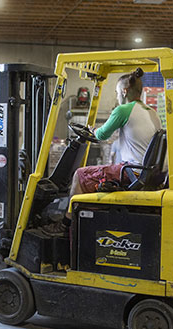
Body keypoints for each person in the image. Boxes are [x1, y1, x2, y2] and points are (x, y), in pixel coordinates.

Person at [42, 67, 162, 236]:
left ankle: (65, 226)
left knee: (79, 175)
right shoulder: (152, 113)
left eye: (117, 92)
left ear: (124, 91)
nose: (117, 96)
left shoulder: (123, 110)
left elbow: (102, 134)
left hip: (132, 172)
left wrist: (93, 130)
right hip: (146, 173)